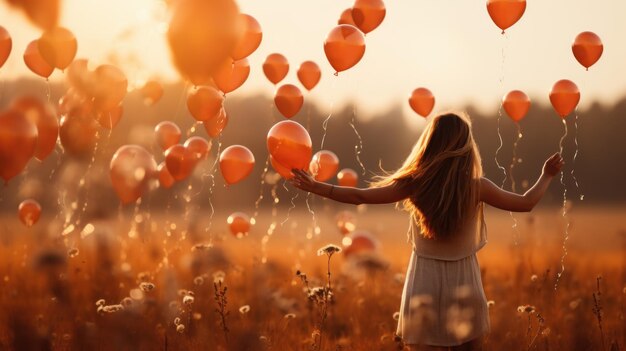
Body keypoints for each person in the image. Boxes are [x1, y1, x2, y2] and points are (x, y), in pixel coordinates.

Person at [289, 112, 564, 351]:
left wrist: (317, 187)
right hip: (465, 279)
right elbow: (526, 203)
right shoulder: (477, 187)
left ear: (429, 145)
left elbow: (360, 196)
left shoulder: (415, 185)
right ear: (465, 147)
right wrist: (546, 175)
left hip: (424, 279)